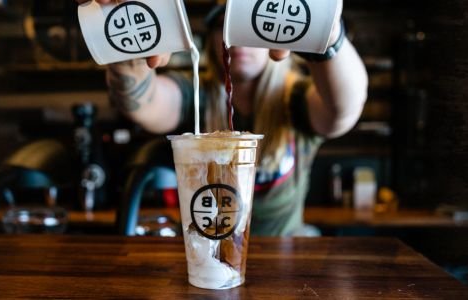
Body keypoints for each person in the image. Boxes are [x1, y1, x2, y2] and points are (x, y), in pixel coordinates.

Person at [86, 0, 368, 236]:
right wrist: (128, 26)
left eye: (245, 22)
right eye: (224, 25)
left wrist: (327, 34)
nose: (236, 37)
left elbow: (343, 109)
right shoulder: (196, 96)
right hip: (211, 257)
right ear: (211, 41)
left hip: (285, 255)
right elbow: (141, 103)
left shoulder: (294, 99)